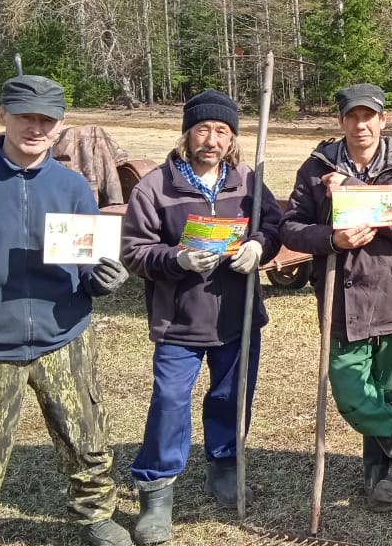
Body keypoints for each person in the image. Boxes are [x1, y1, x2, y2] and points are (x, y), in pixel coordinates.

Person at [0, 75, 133, 546]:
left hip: (64, 335)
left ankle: (94, 513)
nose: (35, 128)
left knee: (86, 437)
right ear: (2, 116)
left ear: (59, 126)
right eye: (24, 117)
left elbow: (85, 265)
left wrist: (101, 281)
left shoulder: (74, 186)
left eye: (46, 120)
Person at [120, 89, 283, 544]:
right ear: (188, 133)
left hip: (238, 315)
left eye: (222, 131)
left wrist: (259, 245)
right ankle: (156, 490)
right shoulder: (156, 186)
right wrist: (177, 260)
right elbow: (134, 251)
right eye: (204, 129)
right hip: (180, 321)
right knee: (170, 403)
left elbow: (273, 225)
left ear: (232, 139)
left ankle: (224, 468)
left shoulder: (248, 181)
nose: (212, 140)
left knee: (232, 398)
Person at [279, 83, 392, 512]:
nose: (361, 125)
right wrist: (331, 237)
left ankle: (384, 469)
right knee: (351, 390)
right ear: (341, 121)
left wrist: (352, 190)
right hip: (341, 296)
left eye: (370, 117)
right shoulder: (316, 167)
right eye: (352, 117)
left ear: (383, 121)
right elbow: (291, 227)